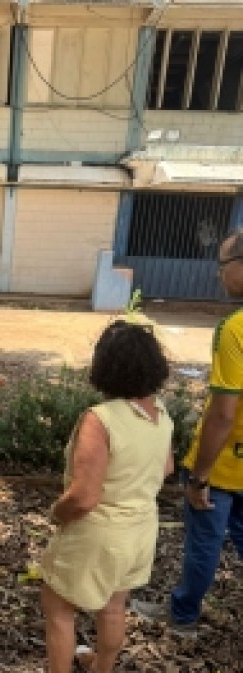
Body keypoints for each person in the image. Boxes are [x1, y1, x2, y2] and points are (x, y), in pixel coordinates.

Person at [11, 320, 173, 673]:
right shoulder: (159, 414)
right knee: (114, 604)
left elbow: (84, 497)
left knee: (58, 605)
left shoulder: (100, 419)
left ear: (106, 365)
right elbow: (167, 468)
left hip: (99, 531)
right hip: (140, 528)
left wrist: (57, 512)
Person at [132, 227, 243, 635]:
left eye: (223, 264)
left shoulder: (235, 329)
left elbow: (223, 415)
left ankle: (183, 616)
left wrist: (199, 477)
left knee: (204, 544)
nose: (218, 273)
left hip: (224, 466)